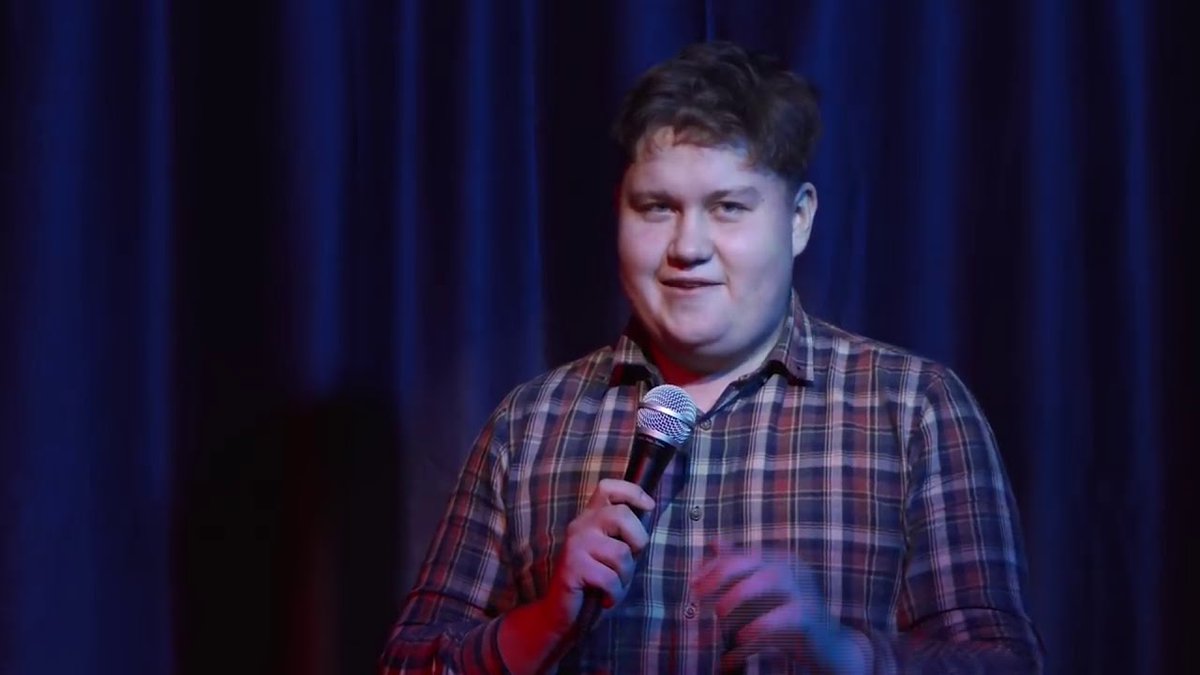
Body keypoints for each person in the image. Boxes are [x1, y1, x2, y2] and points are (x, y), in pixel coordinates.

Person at [380, 41, 1043, 674]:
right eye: (657, 208)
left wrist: (842, 652)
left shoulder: (913, 410)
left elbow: (1006, 665)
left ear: (799, 219)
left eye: (728, 207)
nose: (688, 246)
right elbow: (407, 663)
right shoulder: (528, 426)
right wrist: (544, 623)